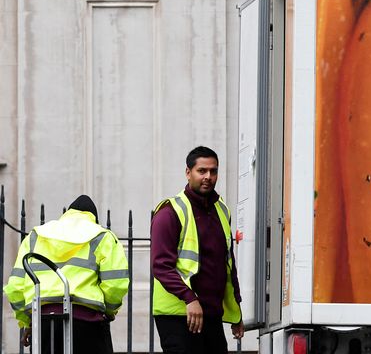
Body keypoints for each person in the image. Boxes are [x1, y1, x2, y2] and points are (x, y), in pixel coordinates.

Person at [4, 195, 129, 354]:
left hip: (43, 323)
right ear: (93, 218)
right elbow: (115, 284)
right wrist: (109, 312)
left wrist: (27, 322)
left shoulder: (35, 236)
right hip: (86, 322)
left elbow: (15, 287)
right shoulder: (102, 236)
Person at [151, 146, 244, 354]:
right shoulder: (169, 212)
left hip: (211, 315)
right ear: (188, 172)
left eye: (213, 171)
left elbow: (228, 264)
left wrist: (236, 311)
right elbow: (160, 266)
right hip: (178, 314)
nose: (208, 177)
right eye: (201, 171)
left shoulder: (222, 210)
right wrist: (189, 298)